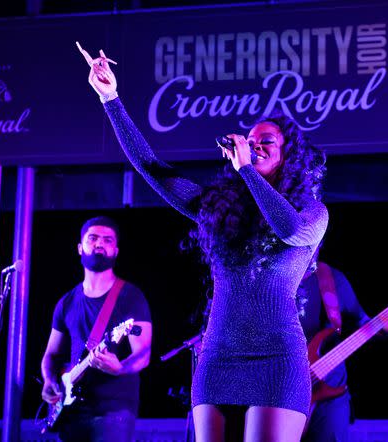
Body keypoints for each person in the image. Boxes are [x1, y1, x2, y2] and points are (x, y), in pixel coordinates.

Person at [76, 44, 329, 441]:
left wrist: (246, 169)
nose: (255, 145)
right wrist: (111, 99)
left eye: (267, 143)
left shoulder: (312, 212)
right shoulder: (217, 207)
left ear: (287, 158)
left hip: (278, 358)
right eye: (251, 139)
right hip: (219, 355)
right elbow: (154, 170)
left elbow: (290, 232)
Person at [41, 216, 152, 442]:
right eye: (93, 238)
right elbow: (51, 355)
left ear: (116, 251)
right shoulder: (67, 302)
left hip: (114, 410)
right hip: (71, 410)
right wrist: (49, 380)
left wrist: (120, 368)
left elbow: (143, 353)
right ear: (80, 247)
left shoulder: (131, 296)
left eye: (108, 240)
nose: (100, 243)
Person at [297, 249, 388, 442]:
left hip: (329, 396)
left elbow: (365, 325)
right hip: (281, 392)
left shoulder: (330, 278)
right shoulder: (267, 277)